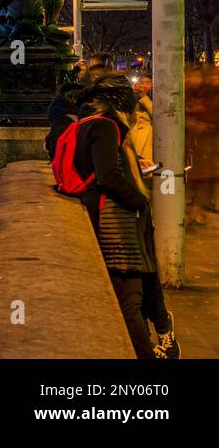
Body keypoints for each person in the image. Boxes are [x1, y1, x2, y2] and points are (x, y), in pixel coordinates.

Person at [52, 74, 179, 358]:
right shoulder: (106, 125)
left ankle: (157, 337)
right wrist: (139, 201)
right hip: (115, 220)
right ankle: (147, 352)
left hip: (101, 212)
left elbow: (97, 167)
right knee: (130, 295)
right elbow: (108, 176)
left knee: (133, 290)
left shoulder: (85, 123)